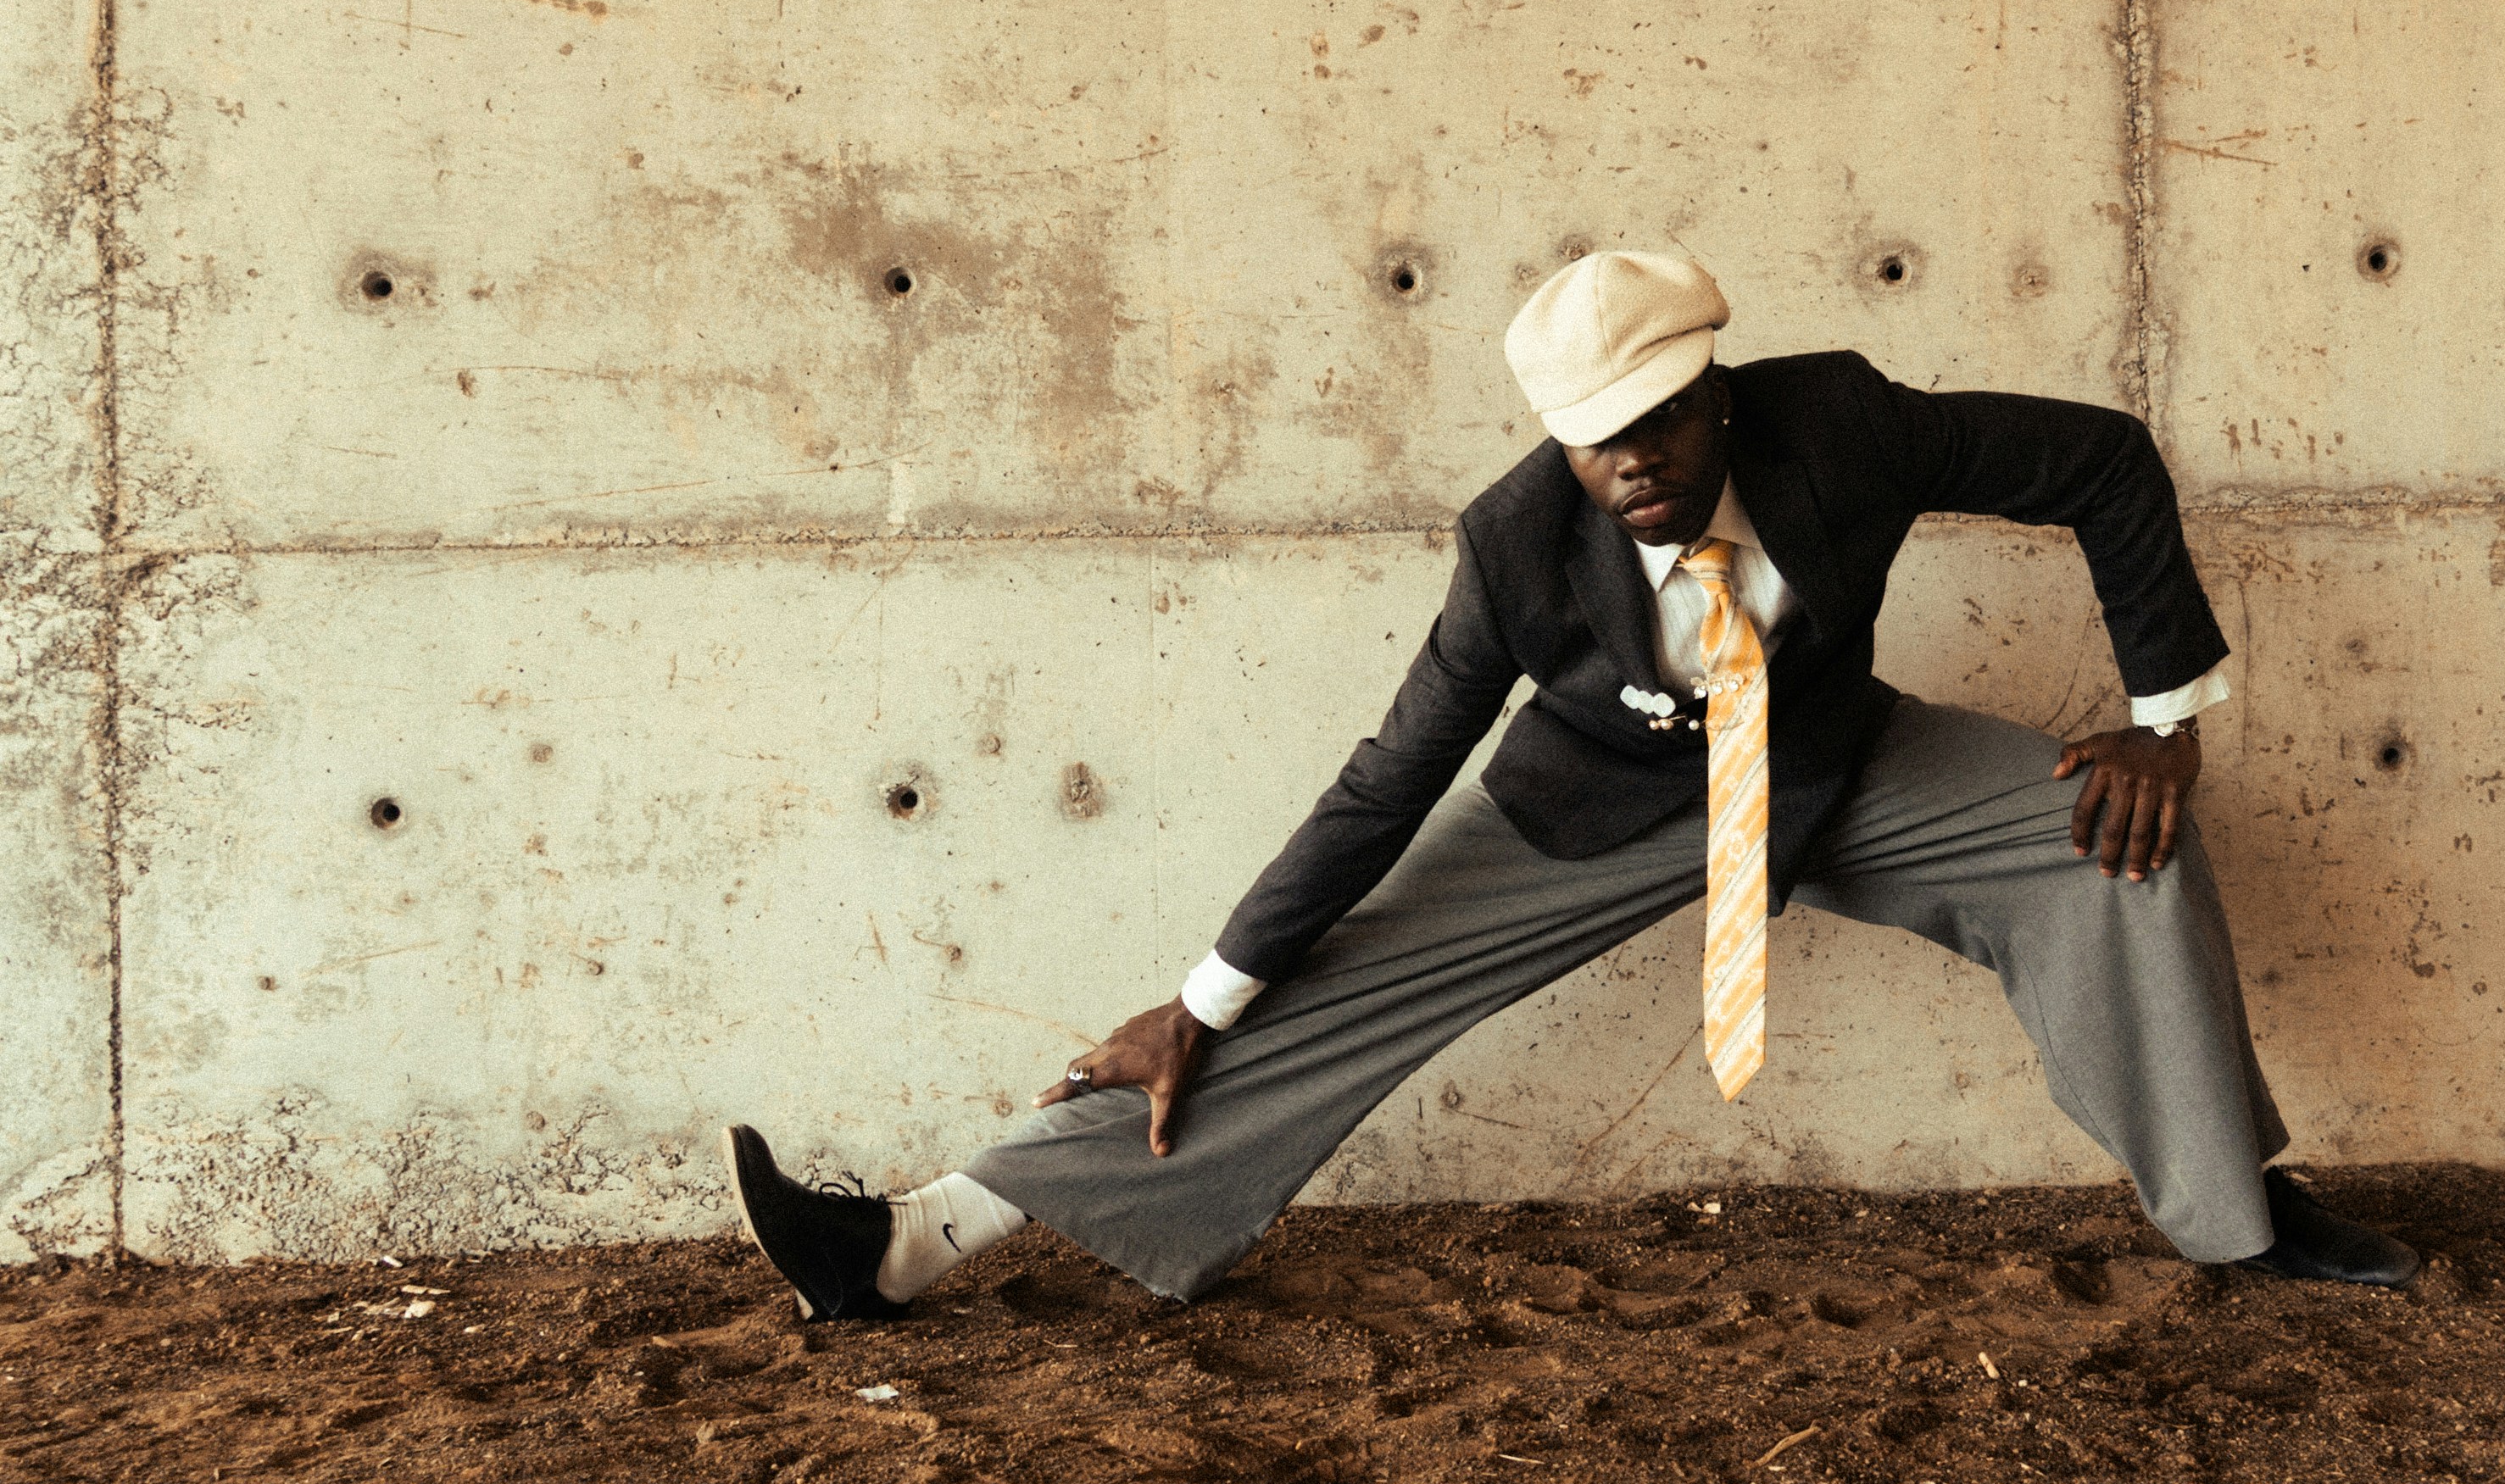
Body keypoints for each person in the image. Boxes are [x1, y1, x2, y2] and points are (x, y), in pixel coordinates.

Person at [721, 252, 2417, 1320]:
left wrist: (2160, 715)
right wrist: (1200, 992)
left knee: (2102, 837)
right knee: (1282, 1000)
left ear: (1713, 390)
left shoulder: (1844, 424)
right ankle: (916, 1240)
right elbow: (1387, 777)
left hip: (1834, 760)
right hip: (1598, 803)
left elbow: (2101, 462)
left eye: (1662, 425)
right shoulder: (1514, 547)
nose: (1636, 468)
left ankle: (2236, 1219)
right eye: (1598, 441)